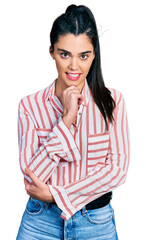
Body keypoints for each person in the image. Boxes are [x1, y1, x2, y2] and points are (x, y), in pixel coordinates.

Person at [16, 4, 130, 240]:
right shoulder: (29, 106)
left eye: (84, 55)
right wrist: (66, 120)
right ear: (51, 52)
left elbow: (117, 171)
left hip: (95, 223)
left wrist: (57, 195)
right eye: (64, 54)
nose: (74, 67)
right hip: (40, 223)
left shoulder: (113, 102)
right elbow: (31, 179)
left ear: (94, 54)